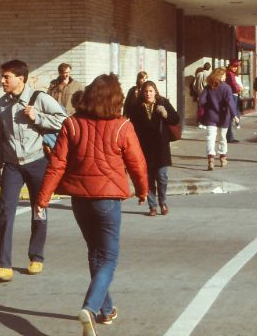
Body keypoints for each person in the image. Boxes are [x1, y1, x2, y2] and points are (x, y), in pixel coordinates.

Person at [36, 73, 148, 335]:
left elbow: (57, 163)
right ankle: (90, 307)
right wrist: (143, 190)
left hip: (80, 200)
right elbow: (137, 163)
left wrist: (43, 197)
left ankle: (105, 310)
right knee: (108, 257)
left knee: (95, 253)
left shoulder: (72, 124)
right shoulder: (122, 126)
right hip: (107, 199)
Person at [0, 59, 67, 282]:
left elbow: (64, 121)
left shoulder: (39, 98)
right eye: (3, 77)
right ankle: (4, 265)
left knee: (39, 208)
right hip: (12, 166)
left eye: (7, 77)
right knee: (6, 211)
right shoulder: (1, 105)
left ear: (20, 78)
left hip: (37, 162)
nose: (2, 81)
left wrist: (38, 117)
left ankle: (36, 257)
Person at [129, 80, 180, 216]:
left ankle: (163, 202)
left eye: (150, 91)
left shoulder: (163, 102)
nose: (148, 94)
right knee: (149, 179)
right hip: (144, 148)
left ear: (155, 92)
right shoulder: (136, 106)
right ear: (142, 93)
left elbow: (176, 119)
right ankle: (152, 206)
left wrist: (165, 114)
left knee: (162, 177)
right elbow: (131, 126)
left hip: (160, 147)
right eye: (145, 91)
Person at [198, 67, 239, 171]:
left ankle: (211, 159)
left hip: (211, 116)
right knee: (222, 137)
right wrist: (235, 115)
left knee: (210, 138)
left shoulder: (208, 87)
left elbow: (201, 100)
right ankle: (222, 157)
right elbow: (230, 102)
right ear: (219, 76)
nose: (225, 77)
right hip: (224, 116)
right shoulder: (227, 88)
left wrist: (208, 105)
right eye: (224, 75)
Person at [224, 60, 242, 143]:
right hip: (232, 95)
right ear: (230, 66)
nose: (235, 68)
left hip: (231, 95)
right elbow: (234, 86)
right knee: (231, 116)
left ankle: (229, 136)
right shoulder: (230, 74)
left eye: (236, 67)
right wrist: (239, 89)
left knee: (230, 116)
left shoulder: (229, 73)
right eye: (234, 66)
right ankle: (229, 137)